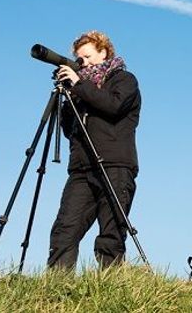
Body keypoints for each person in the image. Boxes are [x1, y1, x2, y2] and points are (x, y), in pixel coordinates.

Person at [47, 30, 141, 269]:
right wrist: (67, 95)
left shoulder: (124, 80)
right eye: (80, 59)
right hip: (81, 168)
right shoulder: (80, 90)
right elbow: (70, 130)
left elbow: (113, 106)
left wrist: (80, 85)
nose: (83, 63)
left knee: (110, 235)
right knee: (64, 230)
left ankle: (109, 289)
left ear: (104, 52)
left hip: (115, 165)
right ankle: (56, 289)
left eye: (88, 57)